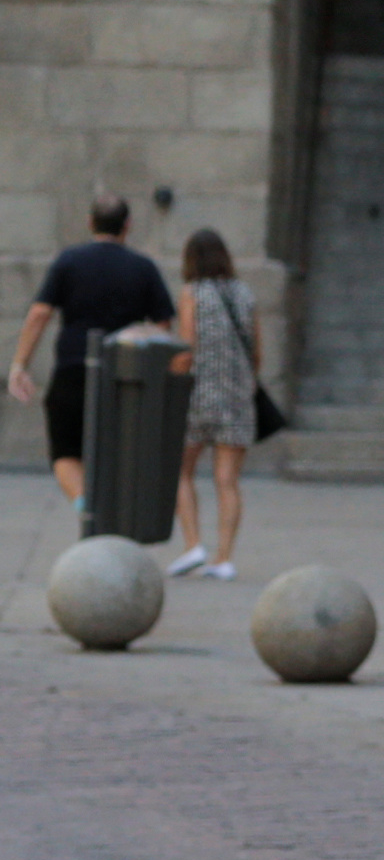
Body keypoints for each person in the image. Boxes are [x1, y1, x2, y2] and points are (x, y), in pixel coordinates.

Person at [7, 195, 178, 504]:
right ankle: (108, 503)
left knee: (65, 452)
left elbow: (40, 313)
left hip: (73, 368)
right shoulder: (143, 267)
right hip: (123, 373)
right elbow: (164, 323)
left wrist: (20, 364)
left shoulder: (69, 261)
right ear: (128, 225)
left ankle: (85, 502)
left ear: (90, 222)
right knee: (117, 449)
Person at [169, 228, 260, 579]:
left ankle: (193, 545)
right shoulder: (244, 294)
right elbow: (257, 351)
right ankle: (224, 558)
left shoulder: (192, 294)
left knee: (182, 471)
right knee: (227, 481)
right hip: (237, 397)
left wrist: (174, 379)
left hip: (198, 397)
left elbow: (186, 346)